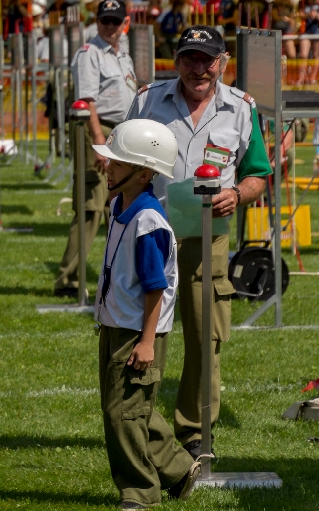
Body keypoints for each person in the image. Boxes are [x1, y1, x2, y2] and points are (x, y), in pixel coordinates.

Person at [126, 25, 271, 460]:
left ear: (222, 62)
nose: (199, 68)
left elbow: (257, 173)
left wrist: (237, 194)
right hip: (151, 233)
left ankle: (194, 434)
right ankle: (139, 428)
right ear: (176, 61)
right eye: (190, 58)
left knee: (205, 338)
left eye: (207, 59)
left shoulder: (241, 108)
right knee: (141, 334)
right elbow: (122, 162)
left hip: (208, 237)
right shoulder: (147, 100)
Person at [91, 119, 201, 508]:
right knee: (130, 406)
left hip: (137, 331)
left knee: (122, 414)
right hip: (115, 326)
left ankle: (141, 492)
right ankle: (178, 470)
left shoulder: (148, 221)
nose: (108, 167)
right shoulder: (120, 205)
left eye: (118, 163)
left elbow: (156, 287)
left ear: (143, 173)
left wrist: (147, 341)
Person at [53, 0, 136, 298]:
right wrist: (99, 142)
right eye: (105, 21)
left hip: (120, 132)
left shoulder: (122, 54)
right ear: (97, 22)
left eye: (116, 21)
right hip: (98, 131)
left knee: (121, 206)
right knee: (90, 206)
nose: (110, 26)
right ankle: (69, 281)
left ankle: (121, 276)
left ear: (125, 23)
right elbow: (86, 101)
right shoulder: (90, 53)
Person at [299, 0, 319, 85]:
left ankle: (312, 78)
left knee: (316, 55)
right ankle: (301, 77)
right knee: (303, 55)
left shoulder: (318, 2)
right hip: (305, 31)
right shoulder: (302, 2)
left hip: (317, 30)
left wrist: (316, 16)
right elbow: (300, 15)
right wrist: (308, 15)